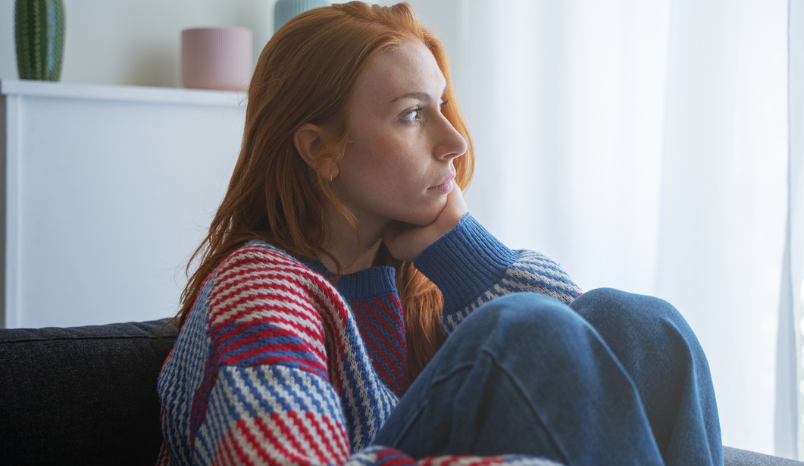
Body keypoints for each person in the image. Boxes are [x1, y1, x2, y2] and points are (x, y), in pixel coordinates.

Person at [156, 2, 723, 465]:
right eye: (411, 114)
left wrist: (464, 256)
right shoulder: (259, 288)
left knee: (645, 327)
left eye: (443, 105)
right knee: (524, 324)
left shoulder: (416, 282)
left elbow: (583, 368)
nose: (455, 141)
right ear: (319, 148)